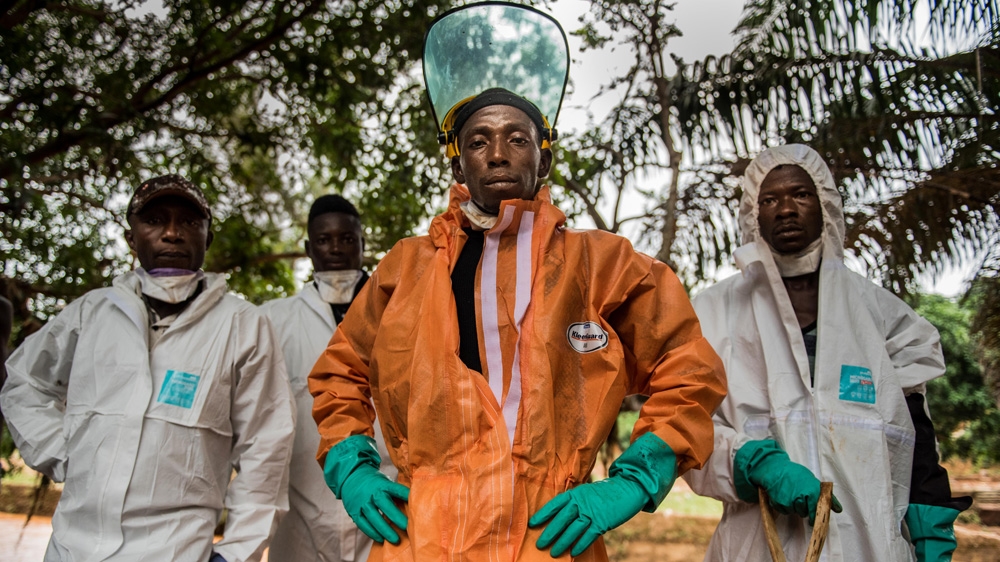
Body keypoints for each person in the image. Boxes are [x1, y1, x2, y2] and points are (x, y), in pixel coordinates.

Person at [307, 85, 727, 562]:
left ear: (543, 161)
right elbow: (340, 371)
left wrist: (637, 477)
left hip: (550, 535)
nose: (497, 154)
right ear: (458, 166)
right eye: (478, 141)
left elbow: (688, 369)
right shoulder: (405, 269)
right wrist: (352, 466)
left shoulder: (604, 265)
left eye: (517, 139)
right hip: (421, 538)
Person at [683, 144, 972, 562]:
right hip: (757, 546)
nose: (786, 209)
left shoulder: (882, 316)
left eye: (800, 195)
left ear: (827, 207)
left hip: (873, 547)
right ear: (752, 215)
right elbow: (687, 426)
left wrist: (931, 527)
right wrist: (752, 462)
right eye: (770, 199)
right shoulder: (712, 314)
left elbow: (914, 438)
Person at [1, 175, 295, 562]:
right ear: (131, 237)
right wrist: (63, 452)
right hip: (73, 547)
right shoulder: (92, 312)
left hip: (177, 551)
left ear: (207, 238)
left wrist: (237, 552)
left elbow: (267, 446)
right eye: (154, 220)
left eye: (189, 222)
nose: (172, 233)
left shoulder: (243, 325)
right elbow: (24, 382)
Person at [261, 195, 396, 561]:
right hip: (300, 509)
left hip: (385, 496)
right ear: (309, 248)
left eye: (347, 239)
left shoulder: (400, 314)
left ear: (362, 244)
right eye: (323, 240)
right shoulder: (272, 320)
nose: (335, 249)